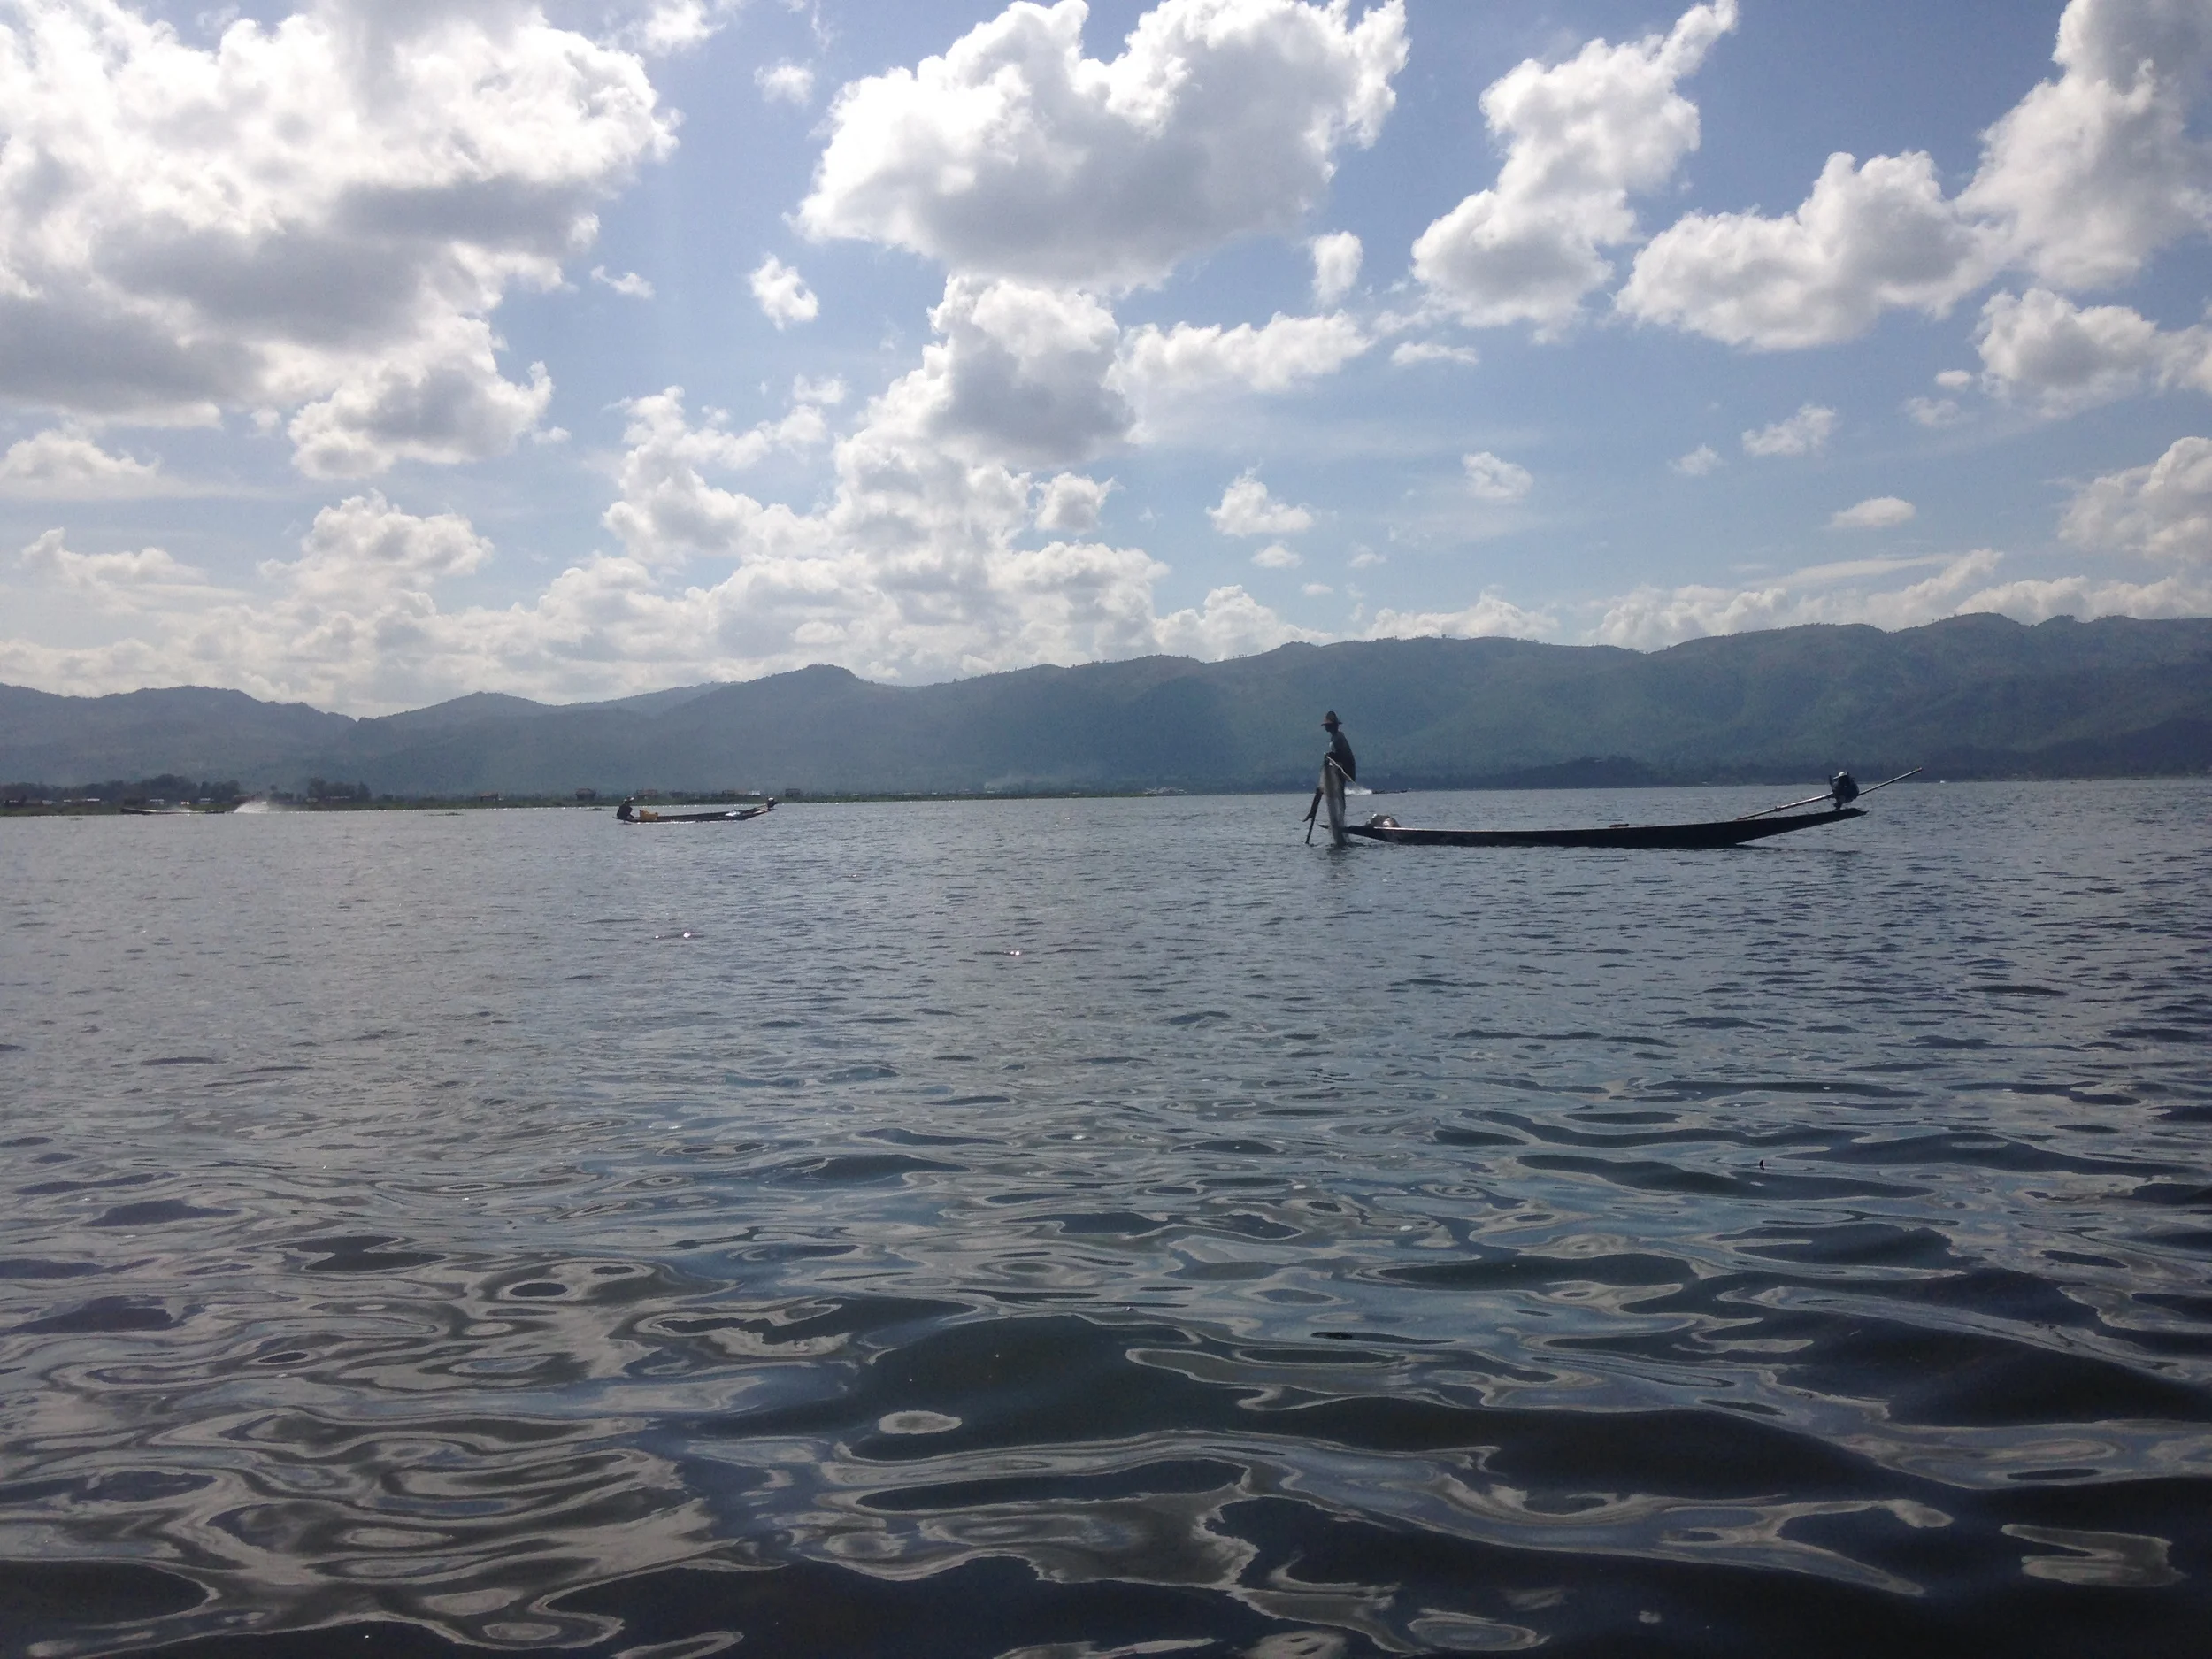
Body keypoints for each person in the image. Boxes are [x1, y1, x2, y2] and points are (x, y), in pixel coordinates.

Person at [1323, 710, 1356, 783]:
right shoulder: (1335, 737)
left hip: (1345, 769)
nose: (1326, 727)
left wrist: (1331, 755)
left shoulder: (1338, 738)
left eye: (1327, 725)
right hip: (1340, 767)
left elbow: (1343, 755)